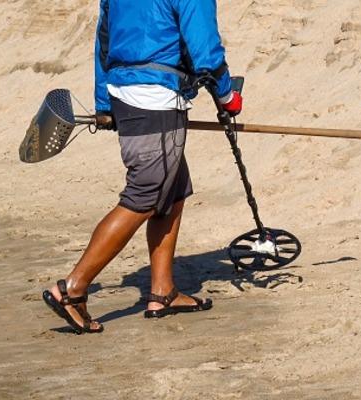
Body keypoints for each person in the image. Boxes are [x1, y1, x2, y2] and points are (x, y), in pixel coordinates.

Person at [42, 0, 243, 334]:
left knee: (174, 186)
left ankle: (163, 292)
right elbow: (205, 49)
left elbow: (103, 41)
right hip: (157, 98)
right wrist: (227, 98)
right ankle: (72, 289)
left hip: (125, 91)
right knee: (146, 194)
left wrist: (104, 104)